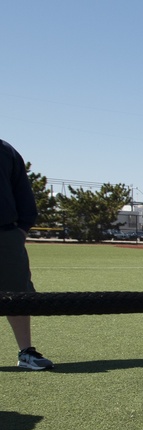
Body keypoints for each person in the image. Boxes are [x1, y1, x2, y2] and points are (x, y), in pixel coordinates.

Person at [0, 138, 53, 370]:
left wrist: (21, 228)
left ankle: (26, 352)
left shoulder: (6, 150)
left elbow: (22, 191)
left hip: (5, 234)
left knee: (18, 294)